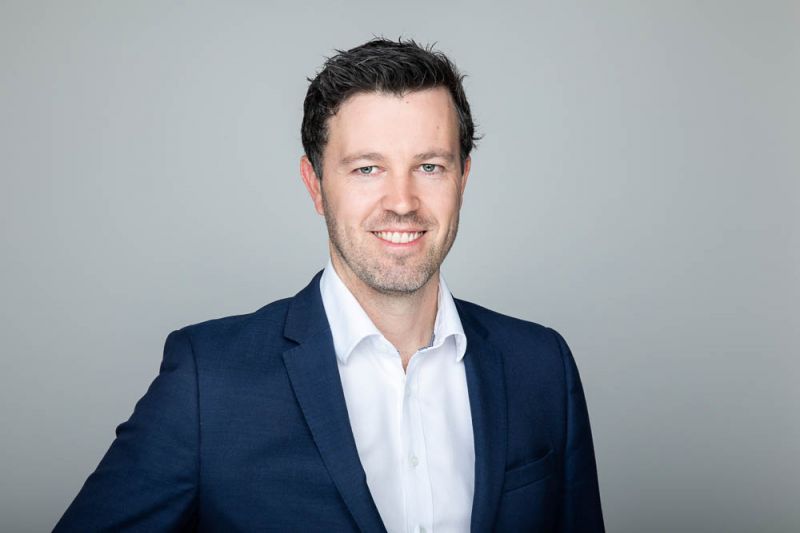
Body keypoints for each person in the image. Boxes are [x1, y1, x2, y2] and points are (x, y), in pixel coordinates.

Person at [55, 38, 604, 532]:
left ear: (464, 177)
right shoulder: (208, 381)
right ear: (315, 185)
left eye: (430, 166)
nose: (402, 202)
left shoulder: (542, 366)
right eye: (367, 168)